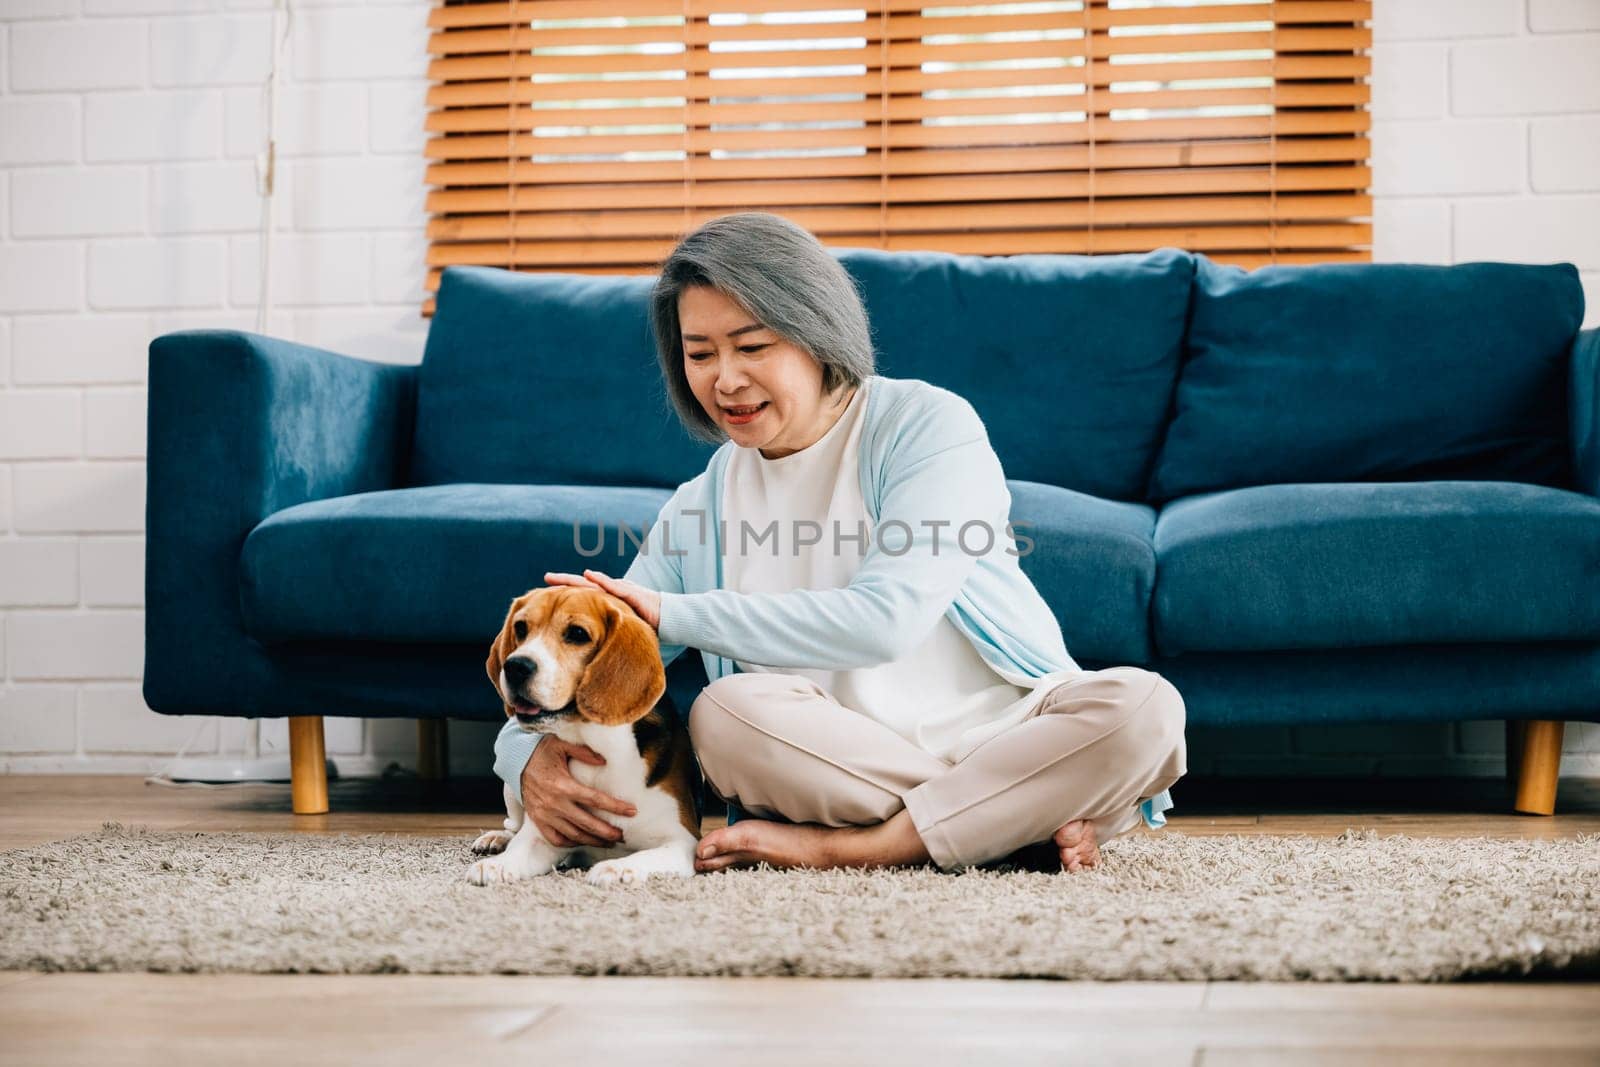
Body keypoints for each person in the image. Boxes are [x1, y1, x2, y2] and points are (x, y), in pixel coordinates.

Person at [492, 212, 1187, 875]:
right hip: (836, 763)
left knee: (1146, 709)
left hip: (1010, 731)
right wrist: (520, 755)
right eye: (699, 352)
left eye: (752, 346)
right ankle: (1014, 815)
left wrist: (674, 612)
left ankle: (859, 849)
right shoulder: (698, 506)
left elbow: (888, 620)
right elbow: (609, 661)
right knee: (726, 716)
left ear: (816, 330)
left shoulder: (927, 427)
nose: (724, 378)